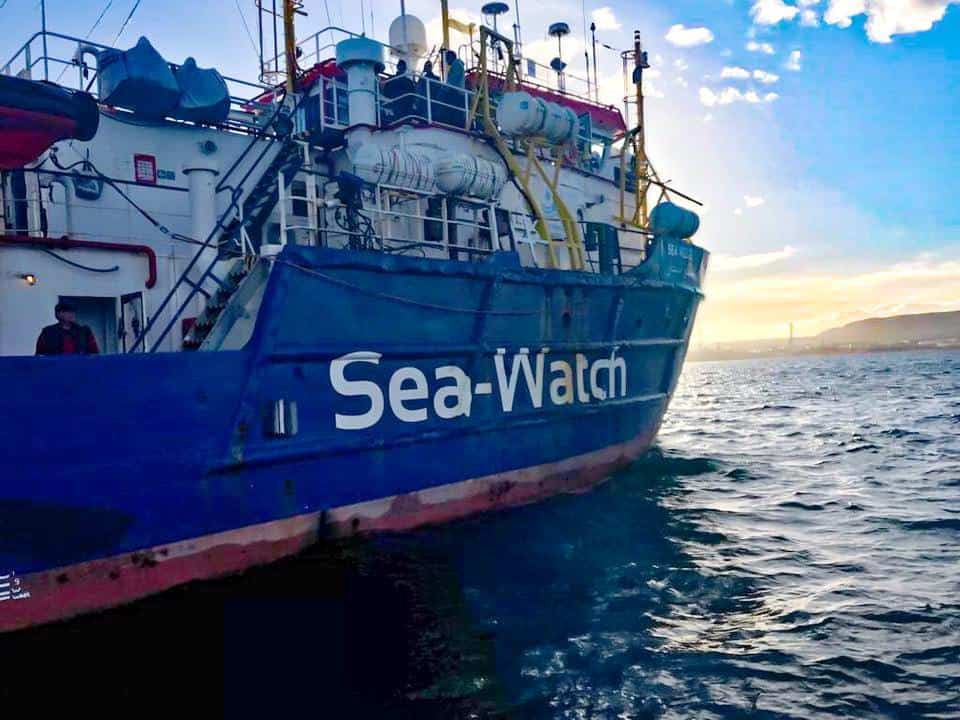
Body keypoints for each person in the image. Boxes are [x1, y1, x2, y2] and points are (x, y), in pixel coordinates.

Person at [35, 301, 100, 356]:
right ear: (59, 314)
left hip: (80, 365)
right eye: (68, 311)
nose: (72, 314)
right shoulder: (48, 332)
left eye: (73, 311)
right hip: (56, 365)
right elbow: (39, 355)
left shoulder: (84, 331)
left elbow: (94, 353)